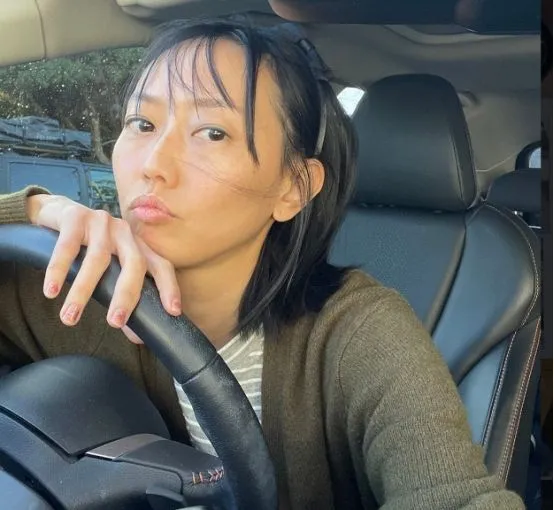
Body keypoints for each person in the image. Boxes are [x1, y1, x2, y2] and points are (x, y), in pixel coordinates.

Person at [0, 17, 525, 510]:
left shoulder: (358, 333)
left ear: (293, 187)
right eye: (142, 123)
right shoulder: (69, 286)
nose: (153, 164)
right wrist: (30, 211)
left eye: (213, 132)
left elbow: (455, 495)